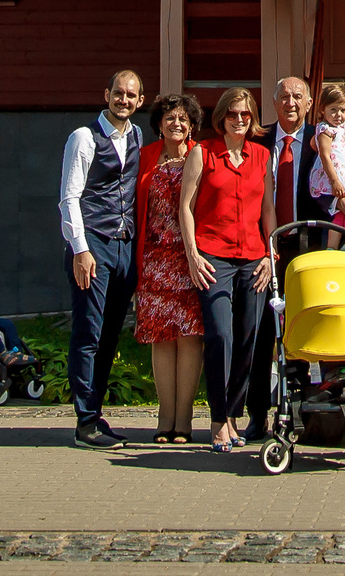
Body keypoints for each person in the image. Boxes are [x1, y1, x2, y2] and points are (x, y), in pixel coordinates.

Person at [179, 86, 275, 454]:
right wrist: (191, 254)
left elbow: (268, 210)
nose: (239, 120)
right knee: (221, 335)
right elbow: (185, 206)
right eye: (233, 114)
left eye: (246, 115)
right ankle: (218, 420)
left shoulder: (261, 156)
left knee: (249, 337)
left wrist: (269, 254)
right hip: (213, 257)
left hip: (253, 257)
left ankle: (234, 416)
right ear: (221, 118)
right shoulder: (203, 153)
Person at [58, 68, 146, 450]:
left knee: (110, 334)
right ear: (106, 94)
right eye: (118, 93)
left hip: (125, 244)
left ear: (140, 101)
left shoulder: (139, 136)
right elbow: (69, 197)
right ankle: (85, 422)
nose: (123, 100)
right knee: (89, 333)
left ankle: (96, 414)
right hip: (94, 243)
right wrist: (80, 249)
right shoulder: (84, 138)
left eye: (131, 95)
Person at [246, 75, 318, 442]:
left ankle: (305, 411)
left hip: (310, 247)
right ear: (273, 104)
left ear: (308, 104)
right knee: (261, 332)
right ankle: (257, 413)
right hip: (264, 248)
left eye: (298, 97)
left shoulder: (324, 142)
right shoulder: (257, 141)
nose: (291, 102)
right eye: (284, 96)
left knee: (305, 328)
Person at [132, 93, 206, 443]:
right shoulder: (146, 156)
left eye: (183, 120)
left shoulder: (200, 155)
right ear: (159, 124)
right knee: (161, 339)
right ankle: (165, 417)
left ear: (191, 126)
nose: (177, 124)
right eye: (170, 118)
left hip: (189, 259)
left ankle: (185, 419)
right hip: (154, 261)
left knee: (189, 338)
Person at [307, 82, 345, 233]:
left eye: (343, 110)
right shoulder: (325, 130)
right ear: (322, 109)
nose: (338, 114)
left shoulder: (343, 128)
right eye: (333, 110)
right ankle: (340, 243)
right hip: (336, 176)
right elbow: (324, 154)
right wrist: (334, 181)